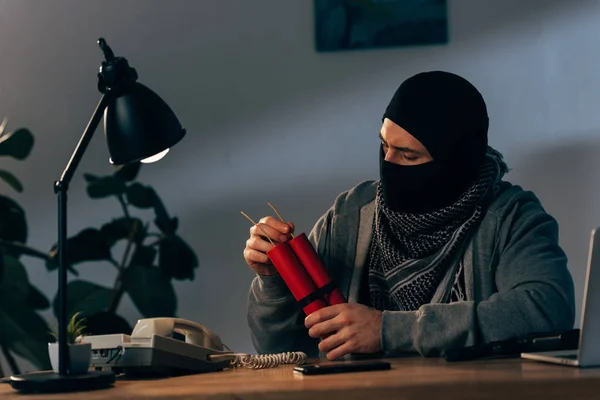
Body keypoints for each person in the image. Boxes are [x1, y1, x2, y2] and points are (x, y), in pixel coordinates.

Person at [243, 71, 576, 361]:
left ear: (455, 162)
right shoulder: (350, 213)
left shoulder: (511, 216)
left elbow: (546, 310)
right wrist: (273, 281)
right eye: (384, 145)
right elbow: (281, 349)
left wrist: (387, 329)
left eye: (408, 155)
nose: (388, 164)